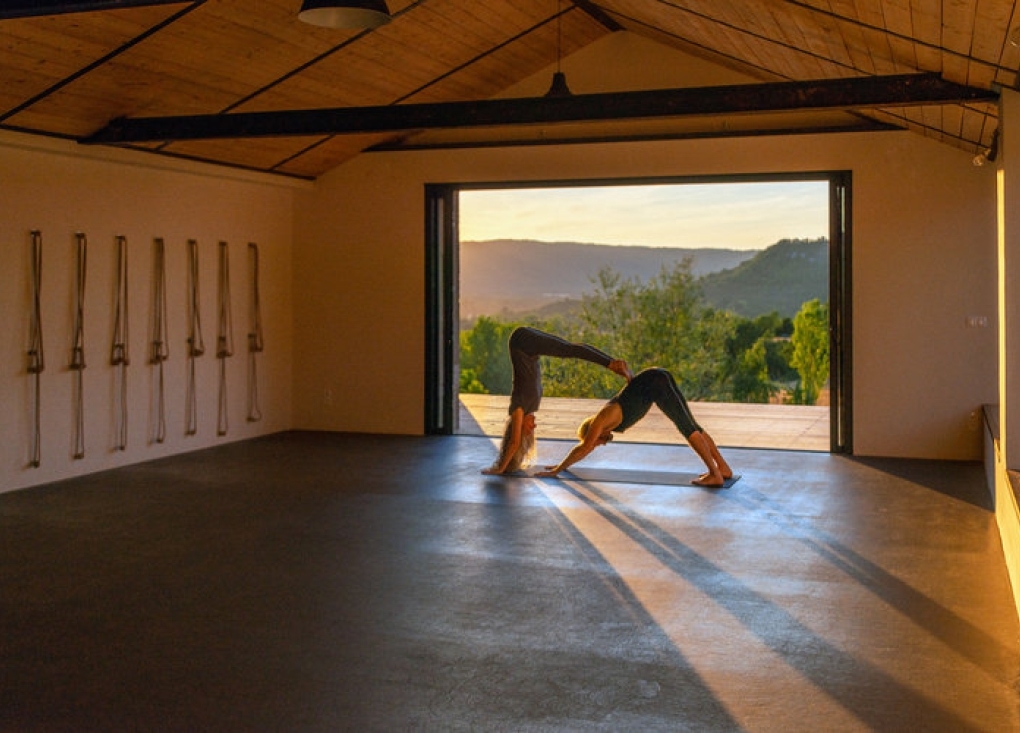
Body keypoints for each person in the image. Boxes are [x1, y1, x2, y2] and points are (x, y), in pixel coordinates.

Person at [536, 367, 733, 487]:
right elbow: (586, 447)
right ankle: (722, 468)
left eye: (595, 442)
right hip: (657, 380)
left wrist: (558, 469)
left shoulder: (602, 419)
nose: (598, 445)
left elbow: (583, 448)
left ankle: (715, 474)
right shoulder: (608, 424)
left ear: (593, 432)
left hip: (656, 381)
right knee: (691, 426)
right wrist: (561, 466)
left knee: (687, 427)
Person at [482, 326, 632, 475]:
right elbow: (515, 441)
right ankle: (613, 363)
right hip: (528, 346)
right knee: (570, 348)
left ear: (519, 426)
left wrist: (500, 469)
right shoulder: (532, 405)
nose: (534, 425)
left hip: (521, 343)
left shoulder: (518, 408)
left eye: (529, 429)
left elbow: (514, 442)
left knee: (569, 350)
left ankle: (612, 364)